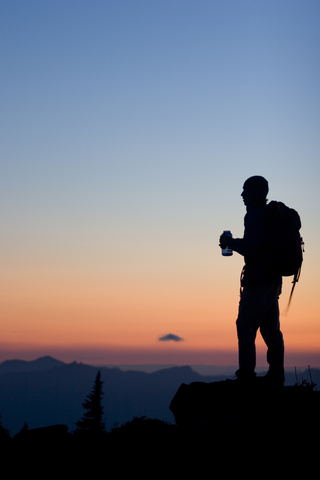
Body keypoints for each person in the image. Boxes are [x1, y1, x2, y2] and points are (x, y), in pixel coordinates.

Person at [219, 176, 285, 386]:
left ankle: (246, 375)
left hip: (258, 282)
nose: (242, 195)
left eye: (245, 191)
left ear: (255, 193)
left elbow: (253, 249)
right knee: (270, 330)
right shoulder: (269, 215)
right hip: (273, 281)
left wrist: (231, 243)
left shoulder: (255, 216)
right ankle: (276, 374)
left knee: (245, 326)